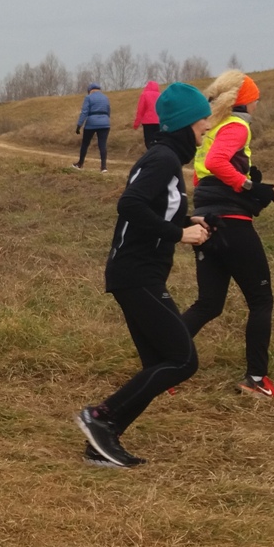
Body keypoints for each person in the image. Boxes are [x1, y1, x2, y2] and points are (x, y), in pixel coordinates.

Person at [75, 82, 213, 467]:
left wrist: (188, 221)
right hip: (136, 275)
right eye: (203, 124)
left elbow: (154, 209)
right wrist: (178, 234)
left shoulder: (166, 158)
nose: (206, 132)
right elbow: (131, 205)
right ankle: (99, 417)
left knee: (159, 363)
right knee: (183, 359)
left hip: (140, 274)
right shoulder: (163, 160)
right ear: (187, 123)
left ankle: (101, 442)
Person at [179, 71, 274, 398]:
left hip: (206, 220)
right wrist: (247, 186)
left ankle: (161, 362)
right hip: (233, 224)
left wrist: (240, 181)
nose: (258, 103)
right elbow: (217, 161)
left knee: (209, 304)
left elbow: (203, 175)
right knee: (261, 300)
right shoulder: (238, 126)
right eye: (256, 98)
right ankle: (256, 379)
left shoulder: (211, 128)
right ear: (245, 102)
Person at [73, 83, 111, 172]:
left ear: (90, 90)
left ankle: (80, 163)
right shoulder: (105, 98)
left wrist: (79, 125)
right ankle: (103, 167)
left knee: (85, 143)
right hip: (105, 123)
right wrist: (106, 119)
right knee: (102, 144)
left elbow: (84, 112)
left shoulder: (88, 98)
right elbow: (108, 110)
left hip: (92, 123)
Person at [133, 80, 161, 148]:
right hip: (159, 121)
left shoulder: (144, 95)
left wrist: (136, 123)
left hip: (148, 122)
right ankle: (157, 153)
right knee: (158, 139)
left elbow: (140, 110)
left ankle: (151, 154)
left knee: (148, 140)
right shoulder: (160, 95)